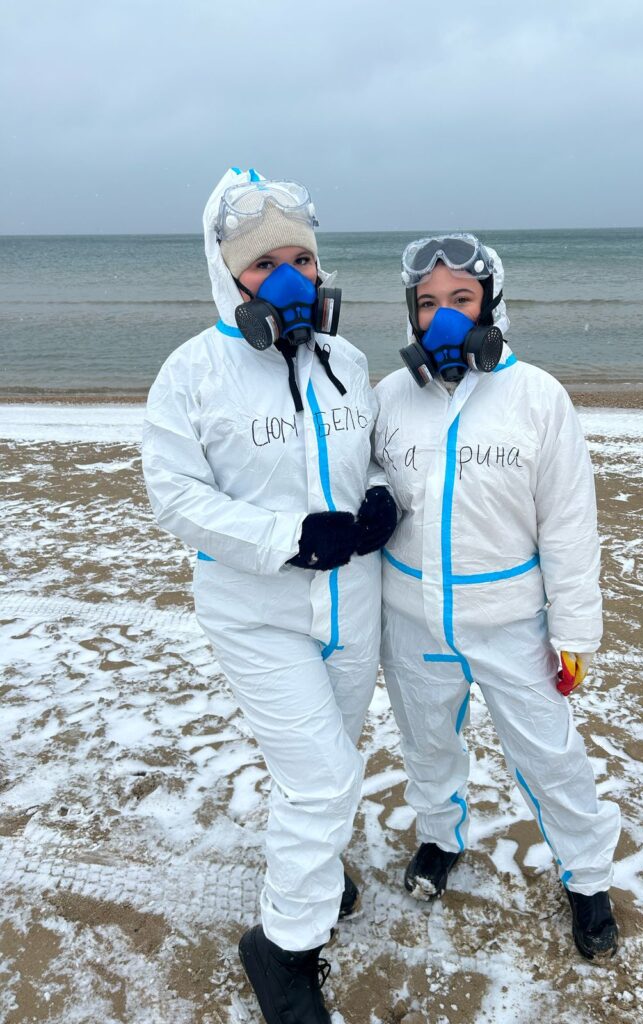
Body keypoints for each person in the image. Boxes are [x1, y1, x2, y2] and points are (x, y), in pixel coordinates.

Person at [142, 167, 397, 1024]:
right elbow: (175, 497)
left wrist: (381, 496)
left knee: (325, 764)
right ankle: (282, 946)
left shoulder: (346, 361)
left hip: (352, 604)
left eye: (302, 259)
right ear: (229, 274)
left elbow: (375, 453)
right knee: (324, 778)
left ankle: (311, 867)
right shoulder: (192, 373)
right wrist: (288, 538)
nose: (289, 279)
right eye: (264, 263)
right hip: (256, 613)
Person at [373, 233, 621, 961]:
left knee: (550, 755)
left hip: (512, 622)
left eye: (461, 298)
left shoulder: (538, 398)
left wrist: (574, 632)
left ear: (491, 305)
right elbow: (365, 477)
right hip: (411, 616)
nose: (443, 316)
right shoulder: (389, 397)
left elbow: (569, 524)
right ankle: (439, 838)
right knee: (427, 743)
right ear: (411, 313)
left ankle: (587, 877)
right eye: (428, 303)